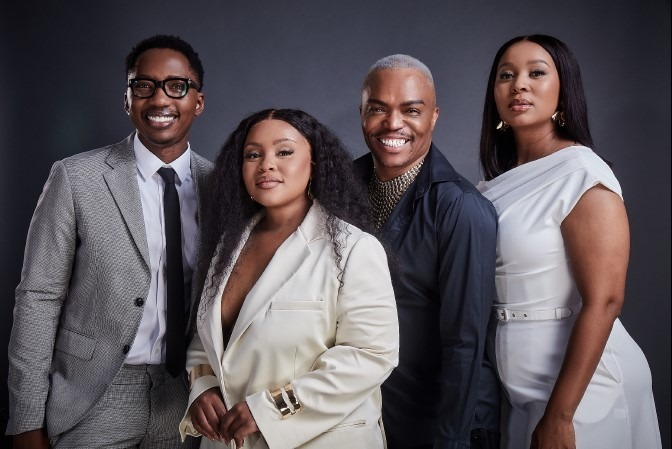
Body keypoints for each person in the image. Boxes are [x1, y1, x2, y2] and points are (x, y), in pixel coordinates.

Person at [6, 34, 212, 448]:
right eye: (143, 85)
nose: (159, 99)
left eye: (176, 86)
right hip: (93, 393)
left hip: (186, 396)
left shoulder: (220, 186)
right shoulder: (75, 178)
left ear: (197, 101)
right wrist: (25, 419)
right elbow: (38, 297)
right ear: (127, 99)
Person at [477, 34, 662, 449]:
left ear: (563, 91)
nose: (519, 85)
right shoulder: (491, 187)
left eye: (536, 73)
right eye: (506, 75)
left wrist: (560, 415)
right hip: (517, 389)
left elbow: (606, 300)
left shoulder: (580, 174)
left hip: (585, 391)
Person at [179, 108, 399, 448]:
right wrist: (203, 385)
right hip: (227, 440)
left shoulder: (354, 248)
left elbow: (371, 355)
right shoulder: (228, 246)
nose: (266, 164)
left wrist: (271, 409)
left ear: (314, 164)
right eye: (253, 155)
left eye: (284, 152)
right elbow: (208, 336)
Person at [354, 54, 500, 449]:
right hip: (371, 417)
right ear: (362, 113)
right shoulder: (343, 188)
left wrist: (450, 442)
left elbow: (466, 343)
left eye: (411, 110)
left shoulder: (461, 209)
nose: (393, 123)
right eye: (378, 109)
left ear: (433, 117)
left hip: (443, 423)